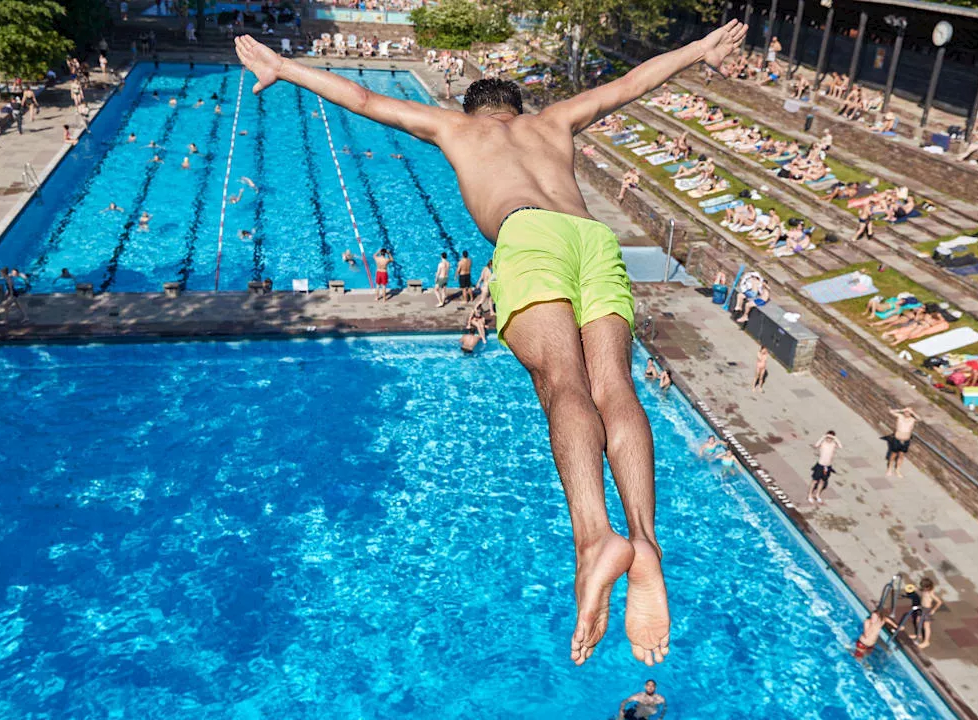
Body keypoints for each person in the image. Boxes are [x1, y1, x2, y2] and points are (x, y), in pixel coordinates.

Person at [235, 21, 750, 668]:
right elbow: (632, 82)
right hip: (591, 239)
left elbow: (362, 99)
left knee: (563, 382)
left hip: (529, 238)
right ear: (518, 109)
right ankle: (644, 541)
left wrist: (284, 66)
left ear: (472, 111)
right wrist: (702, 48)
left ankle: (596, 540)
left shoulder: (457, 129)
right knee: (614, 383)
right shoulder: (554, 121)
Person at [809, 430, 841, 505]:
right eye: (828, 437)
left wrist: (835, 438)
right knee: (814, 481)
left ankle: (817, 495)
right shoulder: (823, 443)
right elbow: (816, 445)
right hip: (820, 465)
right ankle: (810, 495)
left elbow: (840, 446)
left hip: (828, 466)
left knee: (822, 481)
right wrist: (823, 437)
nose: (828, 439)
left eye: (830, 438)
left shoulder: (833, 444)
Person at [885, 407, 919, 477]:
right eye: (906, 411)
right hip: (897, 439)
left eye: (908, 412)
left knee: (901, 456)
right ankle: (889, 469)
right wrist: (902, 410)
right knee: (893, 455)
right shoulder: (900, 416)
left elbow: (920, 419)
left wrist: (912, 412)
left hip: (906, 441)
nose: (907, 412)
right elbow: (891, 411)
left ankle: (898, 469)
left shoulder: (912, 420)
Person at [913, 577, 943, 649]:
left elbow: (939, 602)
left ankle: (926, 642)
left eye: (924, 587)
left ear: (928, 587)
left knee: (926, 625)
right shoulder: (924, 589)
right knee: (918, 620)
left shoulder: (931, 593)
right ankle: (919, 634)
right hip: (922, 608)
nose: (923, 589)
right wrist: (915, 589)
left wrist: (933, 610)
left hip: (927, 610)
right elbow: (921, 590)